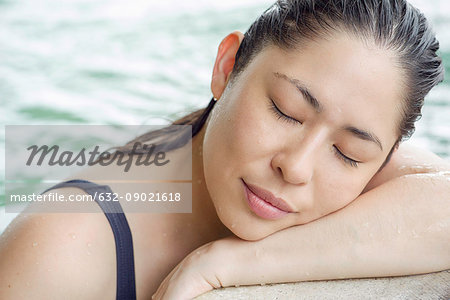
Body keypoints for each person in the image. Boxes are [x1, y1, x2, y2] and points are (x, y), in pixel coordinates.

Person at [1, 0, 449, 299]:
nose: (296, 167)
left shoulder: (359, 179)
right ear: (226, 67)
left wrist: (224, 264)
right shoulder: (63, 247)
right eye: (286, 110)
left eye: (348, 153)